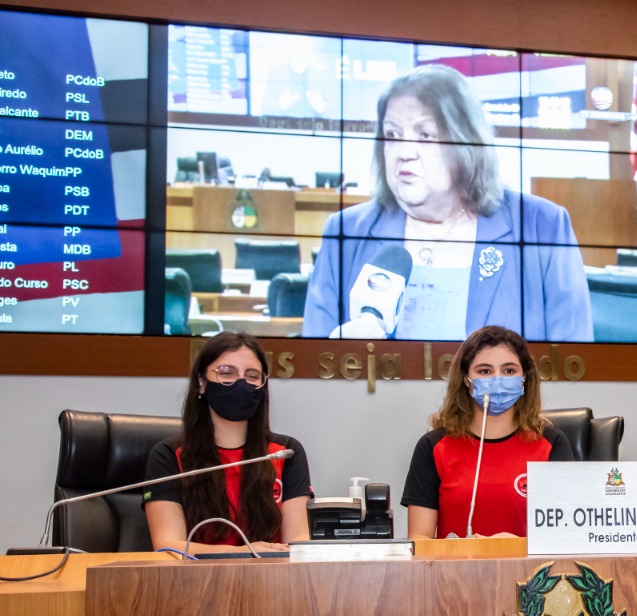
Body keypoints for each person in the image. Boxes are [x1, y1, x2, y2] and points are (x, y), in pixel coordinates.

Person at [302, 65, 592, 342]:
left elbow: (576, 367)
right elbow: (313, 367)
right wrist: (338, 352)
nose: (404, 152)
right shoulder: (346, 231)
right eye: (392, 134)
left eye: (425, 135)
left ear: (465, 141)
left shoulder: (542, 225)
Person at [143, 332, 312, 554]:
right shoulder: (169, 455)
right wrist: (246, 552)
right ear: (202, 383)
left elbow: (298, 542)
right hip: (195, 582)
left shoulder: (285, 453)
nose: (240, 382)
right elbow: (168, 545)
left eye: (252, 376)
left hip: (271, 579)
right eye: (226, 373)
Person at [402, 325, 575, 538]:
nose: (498, 379)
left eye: (509, 370)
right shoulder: (433, 447)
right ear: (467, 380)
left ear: (525, 378)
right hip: (456, 570)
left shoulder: (551, 444)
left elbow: (564, 537)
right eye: (485, 371)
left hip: (530, 571)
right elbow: (419, 539)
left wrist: (515, 547)